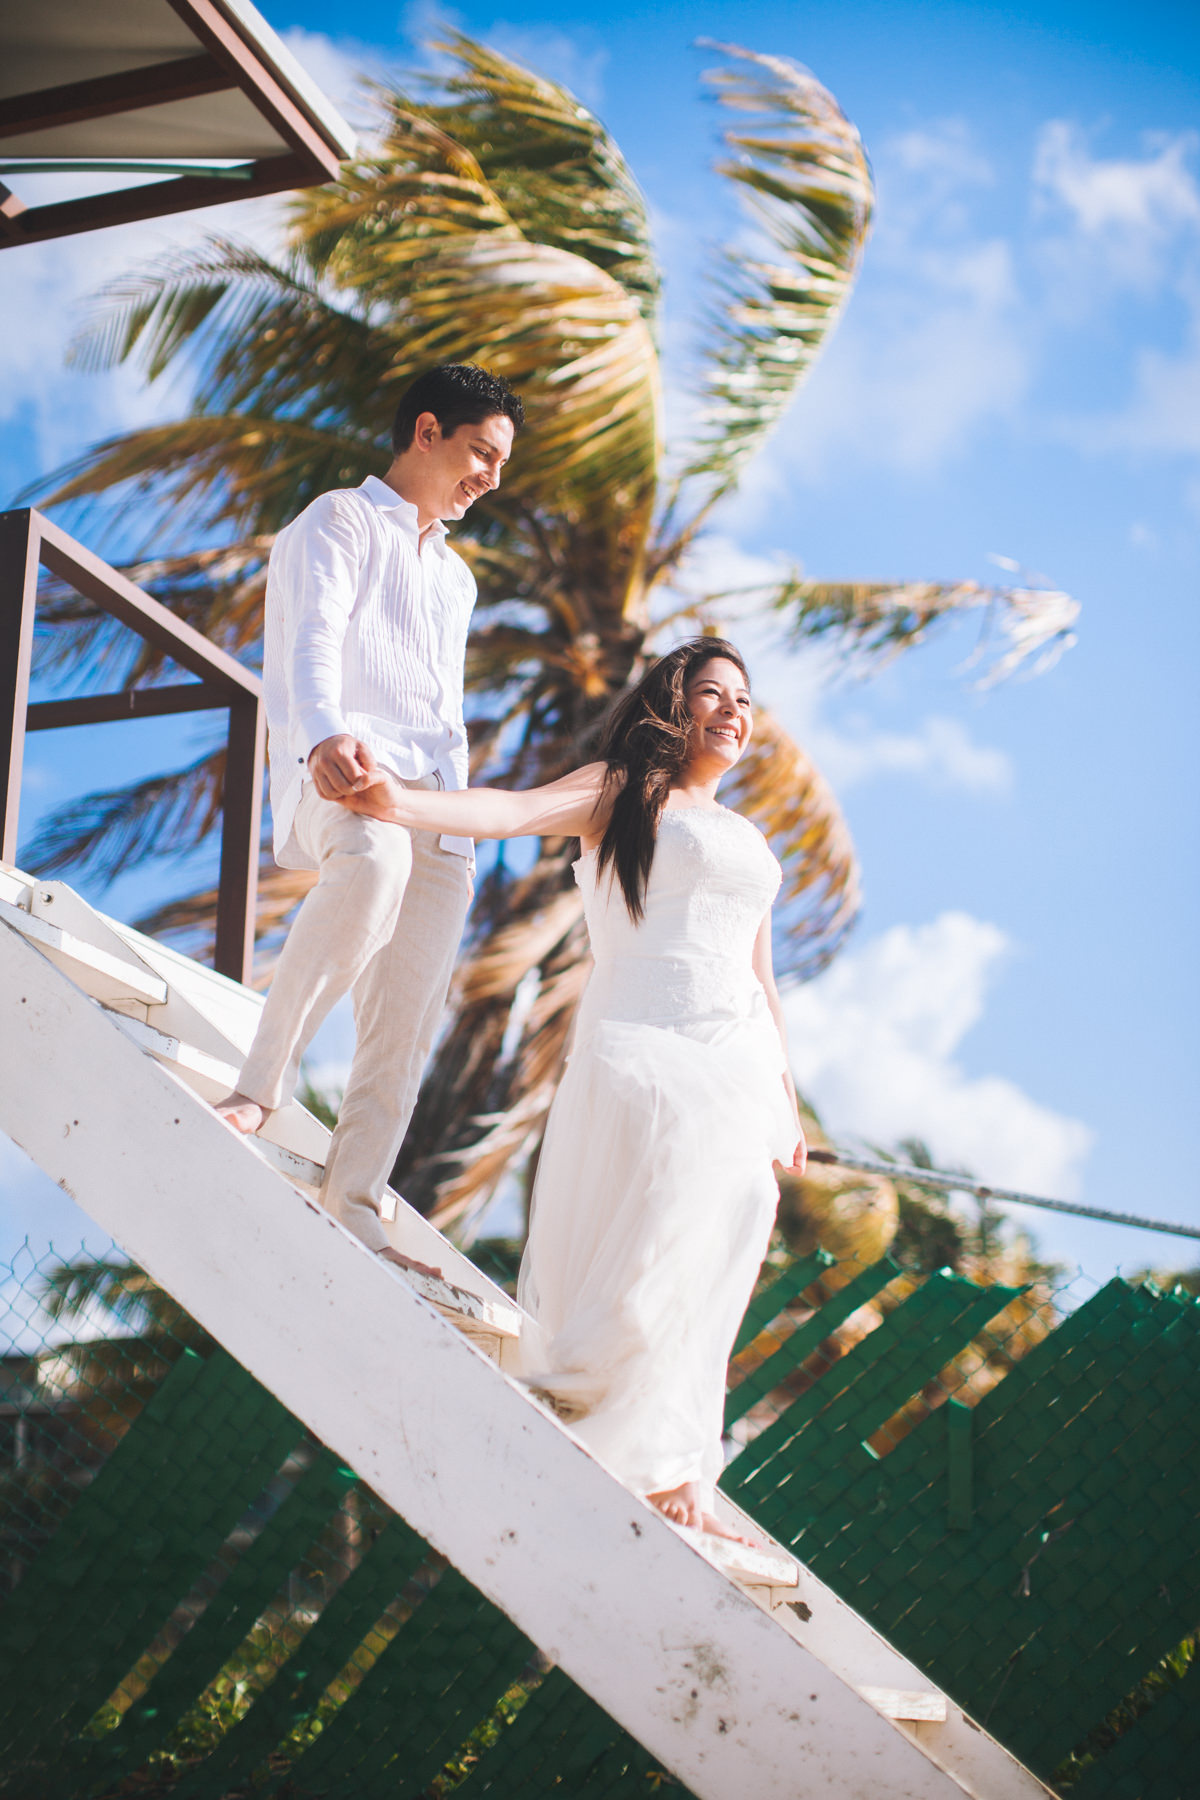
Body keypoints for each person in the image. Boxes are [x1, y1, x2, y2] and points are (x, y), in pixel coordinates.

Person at [336, 637, 807, 1539]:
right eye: (712, 694)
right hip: (642, 1038)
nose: (733, 712)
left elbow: (762, 979)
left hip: (734, 1056)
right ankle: (579, 1398)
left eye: (745, 700)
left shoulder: (750, 839)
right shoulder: (623, 793)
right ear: (673, 703)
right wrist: (398, 800)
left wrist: (785, 1099)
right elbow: (512, 811)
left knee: (735, 1217)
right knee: (668, 1207)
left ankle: (679, 1463)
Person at [213, 363, 525, 1274]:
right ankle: (257, 1092)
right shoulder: (337, 519)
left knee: (409, 1011)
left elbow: (446, 708)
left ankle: (353, 1201)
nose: (490, 479)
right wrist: (321, 737)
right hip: (343, 769)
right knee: (374, 871)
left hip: (437, 806)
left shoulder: (458, 580)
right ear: (426, 431)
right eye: (480, 453)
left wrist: (458, 822)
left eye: (501, 464)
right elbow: (312, 638)